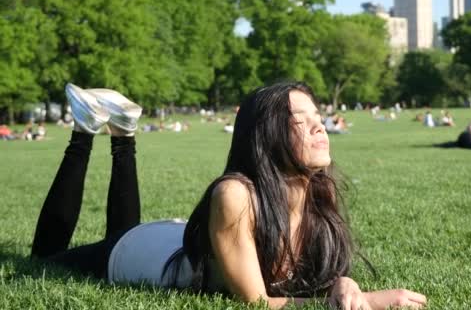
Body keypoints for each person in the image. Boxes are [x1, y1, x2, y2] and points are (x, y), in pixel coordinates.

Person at [31, 82, 426, 310]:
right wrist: (367, 303)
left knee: (120, 231)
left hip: (179, 239)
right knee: (44, 261)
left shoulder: (318, 190)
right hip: (146, 254)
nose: (319, 129)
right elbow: (255, 303)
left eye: (318, 120)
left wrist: (345, 283)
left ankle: (123, 132)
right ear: (266, 136)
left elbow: (312, 275)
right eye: (300, 122)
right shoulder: (235, 194)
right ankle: (84, 130)